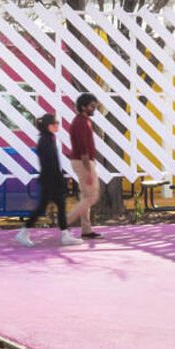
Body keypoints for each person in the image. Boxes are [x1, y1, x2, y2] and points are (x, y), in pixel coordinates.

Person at [17, 110, 70, 245]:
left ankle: (65, 235)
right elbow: (50, 163)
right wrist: (58, 179)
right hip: (50, 180)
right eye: (55, 123)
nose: (58, 125)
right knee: (42, 207)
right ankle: (23, 233)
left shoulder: (49, 138)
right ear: (49, 126)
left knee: (61, 206)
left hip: (52, 179)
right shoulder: (45, 140)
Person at [65, 91, 103, 243]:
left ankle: (86, 230)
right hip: (83, 162)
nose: (94, 109)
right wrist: (88, 170)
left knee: (86, 196)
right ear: (83, 107)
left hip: (82, 162)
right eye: (92, 106)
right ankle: (65, 222)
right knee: (92, 196)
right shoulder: (81, 122)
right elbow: (83, 148)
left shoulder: (83, 120)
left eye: (95, 106)